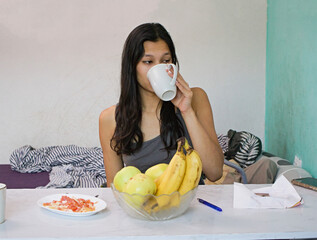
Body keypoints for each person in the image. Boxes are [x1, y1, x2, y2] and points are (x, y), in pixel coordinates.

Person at [99, 23, 224, 187]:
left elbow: (215, 172)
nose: (158, 68)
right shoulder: (111, 119)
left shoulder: (196, 99)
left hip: (190, 205)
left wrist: (187, 111)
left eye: (165, 61)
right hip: (143, 207)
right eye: (148, 61)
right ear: (132, 67)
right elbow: (114, 187)